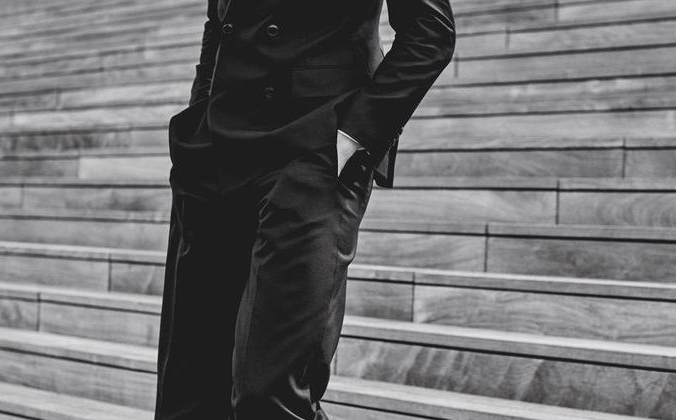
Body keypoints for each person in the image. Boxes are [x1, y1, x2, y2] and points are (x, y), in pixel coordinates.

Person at [154, 0, 456, 418]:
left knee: (270, 398)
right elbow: (218, 18)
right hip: (217, 147)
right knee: (189, 393)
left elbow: (430, 30)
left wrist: (359, 132)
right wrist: (201, 107)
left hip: (314, 143)